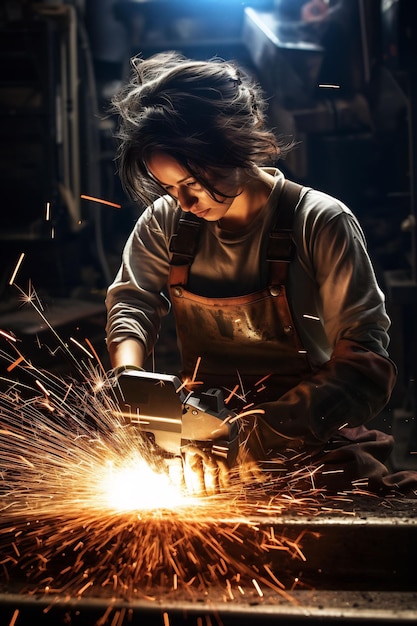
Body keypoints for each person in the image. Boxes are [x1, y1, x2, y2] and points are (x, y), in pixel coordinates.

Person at [105, 51, 414, 495]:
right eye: (171, 189)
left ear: (234, 145)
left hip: (306, 439)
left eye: (192, 184)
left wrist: (258, 434)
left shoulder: (320, 222)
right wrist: (130, 378)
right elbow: (133, 302)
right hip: (201, 439)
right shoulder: (167, 221)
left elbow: (365, 367)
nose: (185, 203)